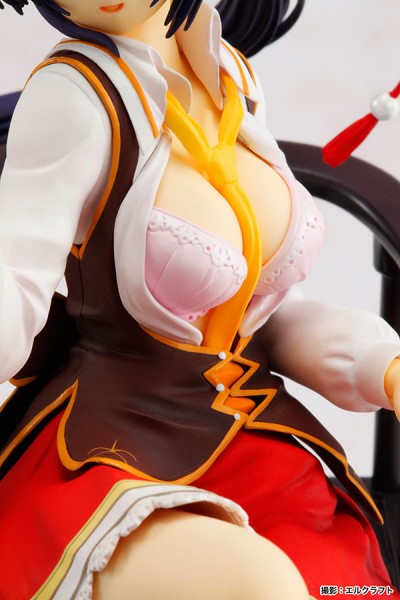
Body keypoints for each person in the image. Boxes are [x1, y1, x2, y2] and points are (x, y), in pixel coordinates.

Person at [0, 0, 399, 598]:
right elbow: (13, 279)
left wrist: (383, 367)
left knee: (326, 581)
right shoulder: (71, 99)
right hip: (114, 449)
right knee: (262, 585)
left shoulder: (230, 74)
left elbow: (262, 316)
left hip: (253, 441)